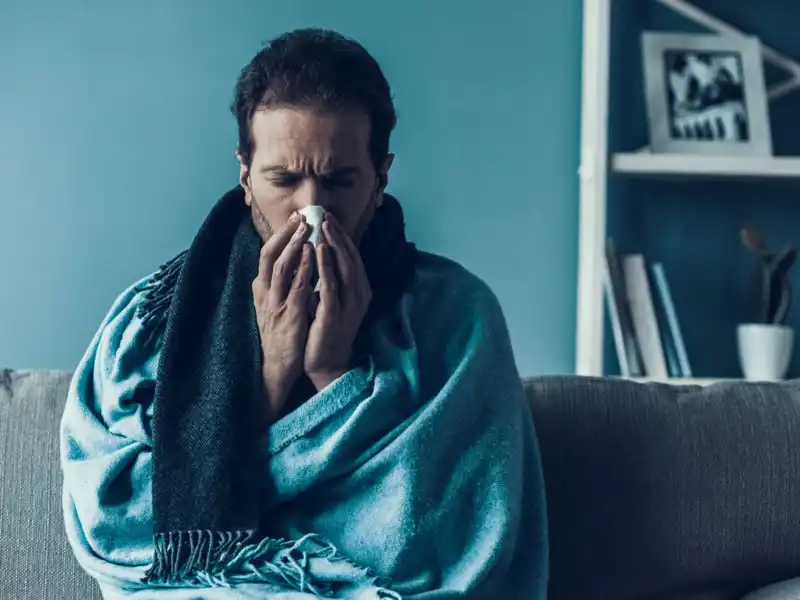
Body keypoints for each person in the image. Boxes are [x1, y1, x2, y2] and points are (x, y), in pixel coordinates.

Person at [60, 28, 548, 600]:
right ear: (245, 176)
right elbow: (112, 527)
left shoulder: (458, 319)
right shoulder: (150, 323)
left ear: (380, 178)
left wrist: (331, 379)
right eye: (284, 180)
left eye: (340, 181)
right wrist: (266, 383)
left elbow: (449, 547)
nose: (312, 210)